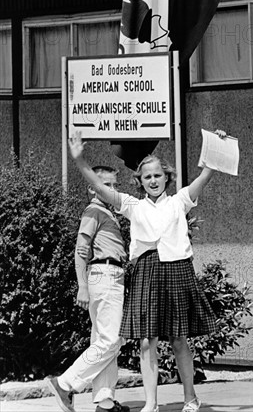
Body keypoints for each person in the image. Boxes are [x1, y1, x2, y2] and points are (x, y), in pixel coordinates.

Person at [68, 130, 227, 412]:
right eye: (147, 177)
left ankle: (190, 398)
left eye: (157, 175)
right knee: (146, 341)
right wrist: (79, 160)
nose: (153, 181)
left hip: (177, 270)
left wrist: (216, 145)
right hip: (146, 272)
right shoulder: (132, 205)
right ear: (139, 181)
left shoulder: (180, 200)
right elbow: (100, 187)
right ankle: (151, 404)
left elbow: (205, 175)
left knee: (179, 339)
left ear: (166, 177)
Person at [46, 166, 129, 412]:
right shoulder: (93, 210)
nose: (112, 190)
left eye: (115, 185)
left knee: (104, 339)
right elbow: (81, 249)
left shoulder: (106, 211)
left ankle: (105, 403)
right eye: (106, 185)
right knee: (111, 340)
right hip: (104, 274)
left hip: (111, 275)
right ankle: (64, 384)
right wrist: (82, 285)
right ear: (92, 188)